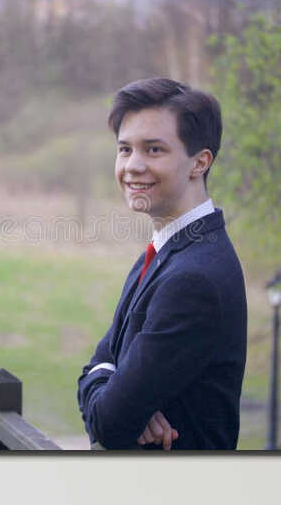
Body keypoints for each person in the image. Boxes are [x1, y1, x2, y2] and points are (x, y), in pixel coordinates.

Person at [75, 78, 247, 451]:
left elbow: (108, 422)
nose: (132, 166)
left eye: (153, 150)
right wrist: (112, 386)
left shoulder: (194, 278)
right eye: (124, 149)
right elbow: (100, 372)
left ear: (199, 162)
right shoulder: (164, 252)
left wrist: (115, 396)